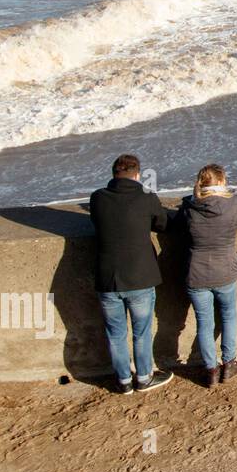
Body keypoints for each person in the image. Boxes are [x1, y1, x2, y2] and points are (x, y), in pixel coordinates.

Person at [89, 154, 174, 394]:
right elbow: (163, 224)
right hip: (139, 278)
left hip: (107, 279)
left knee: (115, 334)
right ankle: (144, 377)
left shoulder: (97, 198)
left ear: (114, 174)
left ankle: (124, 380)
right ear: (137, 175)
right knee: (141, 331)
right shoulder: (145, 196)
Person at [175, 164, 237, 387]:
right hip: (225, 272)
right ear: (222, 182)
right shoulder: (234, 203)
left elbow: (175, 225)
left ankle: (211, 369)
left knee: (204, 323)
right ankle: (229, 363)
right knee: (228, 316)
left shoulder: (189, 206)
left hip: (196, 274)